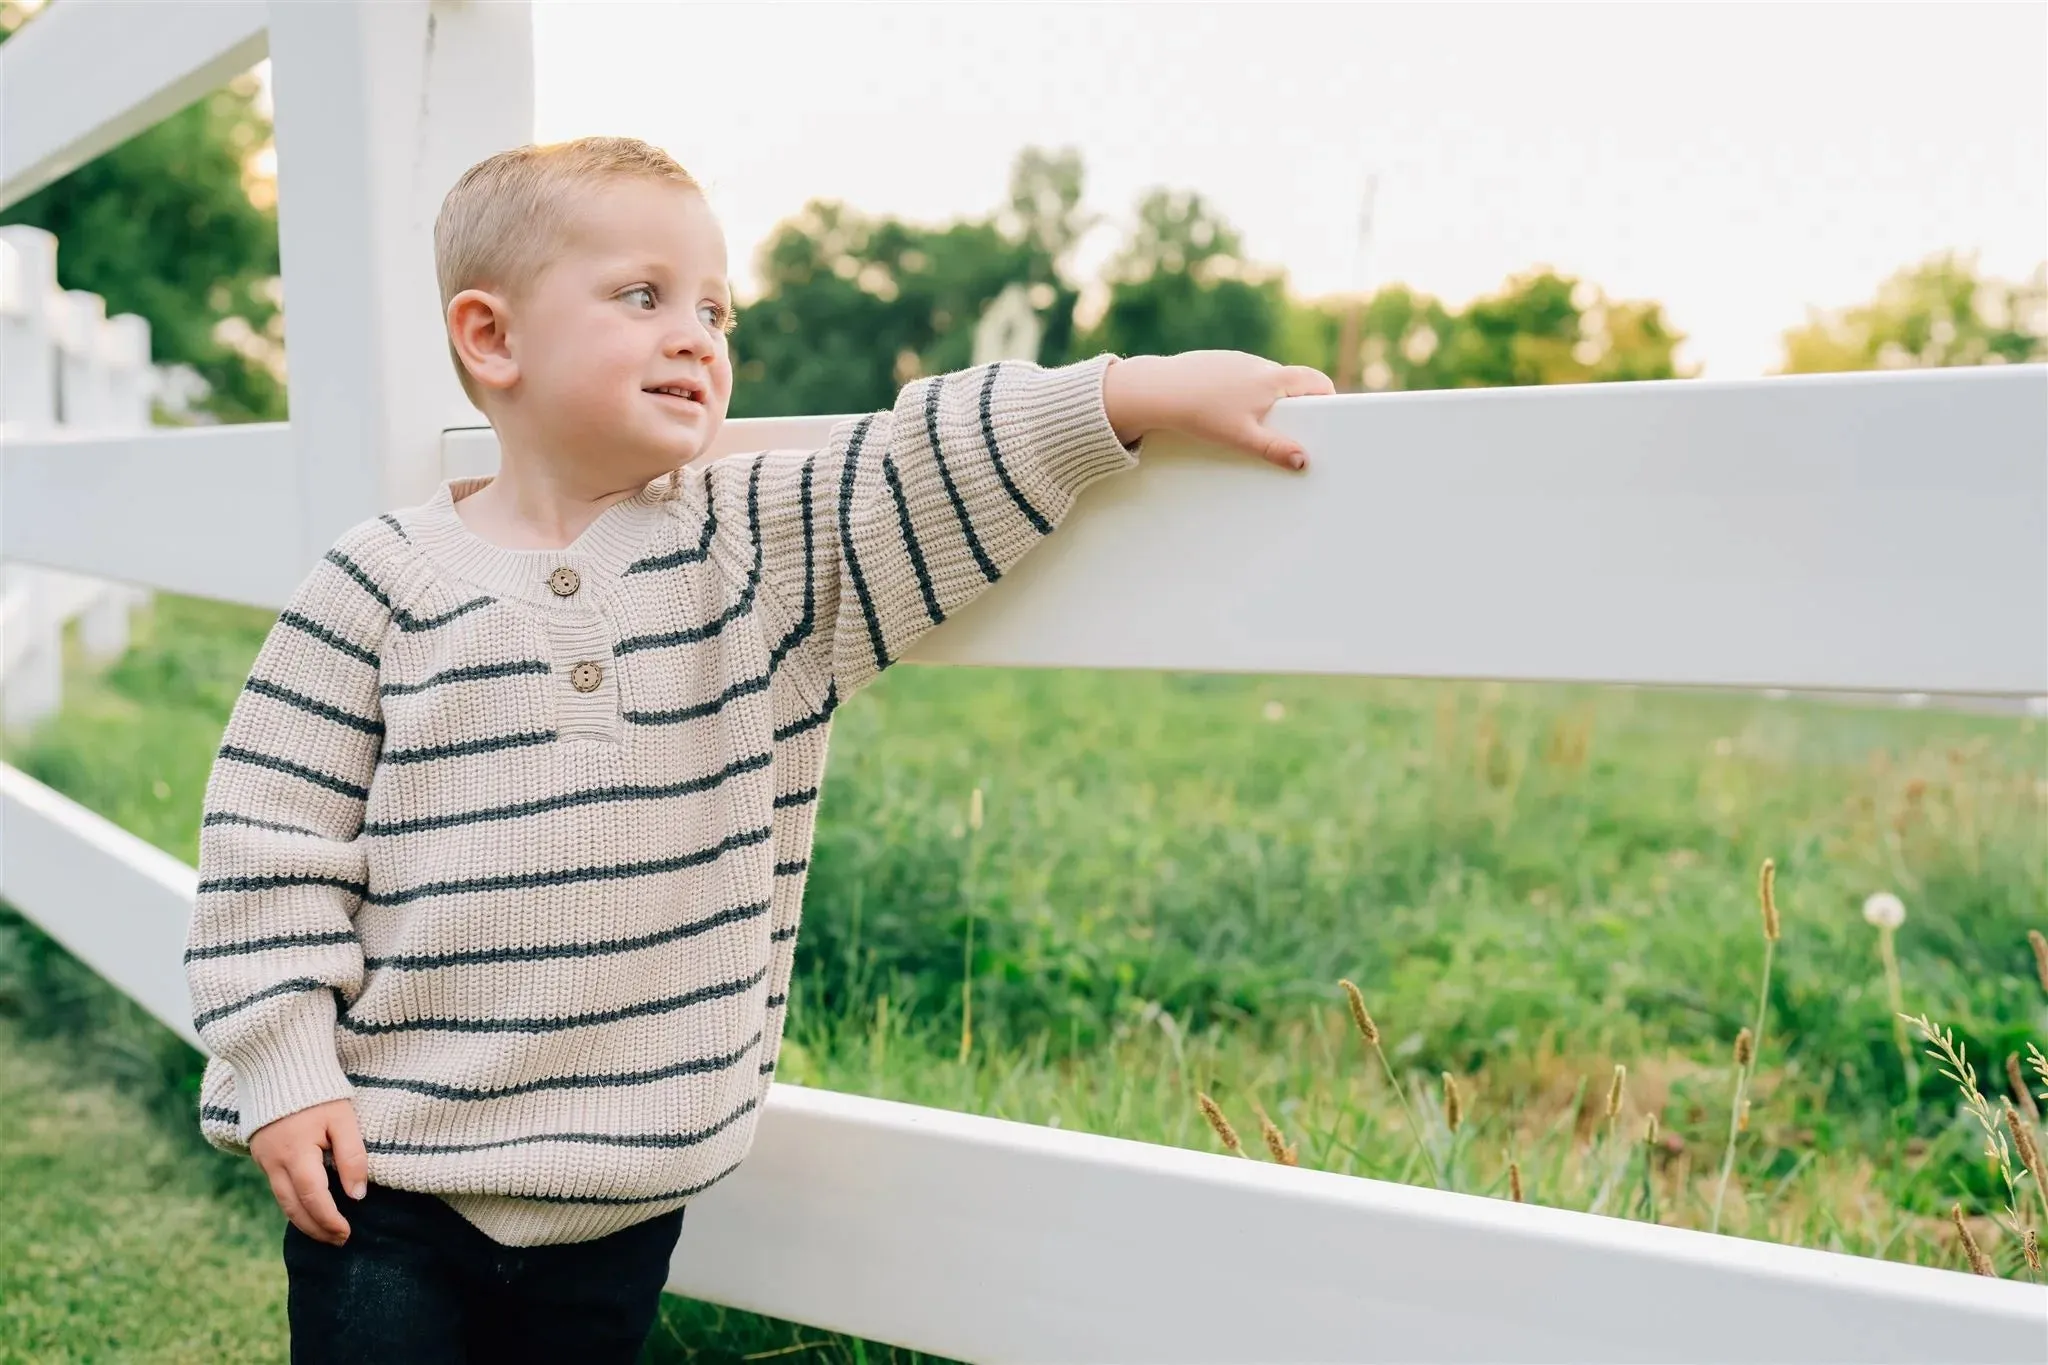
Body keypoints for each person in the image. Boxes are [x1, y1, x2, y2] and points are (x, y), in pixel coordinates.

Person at [182, 135, 1332, 1363]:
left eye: (716, 309)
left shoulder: (760, 557)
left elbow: (924, 464)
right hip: (388, 1177)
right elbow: (270, 846)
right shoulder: (375, 587)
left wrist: (1134, 393)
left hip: (623, 1190)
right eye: (644, 296)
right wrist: (283, 1065)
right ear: (491, 337)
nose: (697, 335)